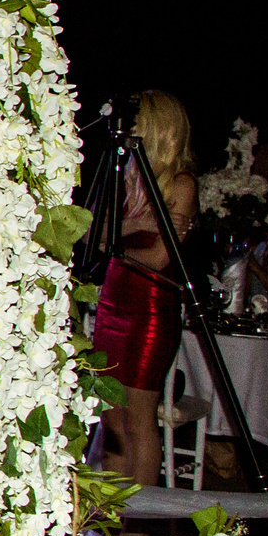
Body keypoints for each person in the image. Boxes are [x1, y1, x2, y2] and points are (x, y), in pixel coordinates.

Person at [91, 89, 198, 487]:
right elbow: (90, 234)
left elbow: (159, 259)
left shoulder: (181, 183)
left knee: (138, 419)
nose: (129, 129)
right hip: (113, 301)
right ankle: (109, 515)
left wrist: (116, 245)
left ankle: (139, 523)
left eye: (137, 122)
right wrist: (131, 228)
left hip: (148, 307)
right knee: (112, 417)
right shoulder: (130, 176)